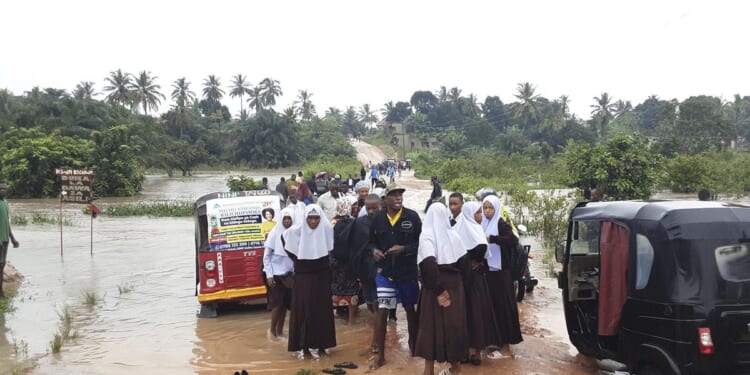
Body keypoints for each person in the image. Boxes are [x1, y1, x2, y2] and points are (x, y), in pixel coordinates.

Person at [368, 185, 422, 369]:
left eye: (400, 195)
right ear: (386, 200)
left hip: (407, 274)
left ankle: (414, 348)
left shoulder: (412, 217)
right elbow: (370, 242)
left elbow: (422, 243)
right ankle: (381, 356)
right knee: (382, 311)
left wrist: (405, 249)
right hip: (385, 274)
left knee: (410, 310)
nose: (398, 198)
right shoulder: (377, 220)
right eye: (394, 195)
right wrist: (374, 251)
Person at [414, 203, 469, 375]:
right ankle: (456, 367)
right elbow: (465, 265)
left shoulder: (427, 236)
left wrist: (438, 290)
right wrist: (457, 288)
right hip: (454, 287)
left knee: (430, 327)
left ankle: (428, 370)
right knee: (454, 326)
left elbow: (428, 265)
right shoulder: (454, 236)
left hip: (434, 288)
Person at [283, 204, 336, 359]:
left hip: (322, 278)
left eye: (316, 218)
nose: (313, 222)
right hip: (303, 279)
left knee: (323, 311)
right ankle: (304, 348)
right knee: (304, 311)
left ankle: (322, 346)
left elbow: (331, 252)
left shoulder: (327, 230)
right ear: (305, 219)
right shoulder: (294, 233)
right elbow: (288, 247)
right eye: (310, 218)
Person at [455, 201, 501, 364]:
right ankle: (467, 351)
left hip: (476, 282)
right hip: (465, 281)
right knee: (465, 314)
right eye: (478, 213)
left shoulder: (477, 230)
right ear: (468, 214)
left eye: (481, 212)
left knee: (476, 314)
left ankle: (476, 352)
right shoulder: (457, 231)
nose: (481, 216)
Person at [481, 195, 523, 357]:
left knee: (504, 307)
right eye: (485, 208)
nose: (487, 211)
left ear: (497, 208)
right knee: (491, 307)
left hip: (501, 273)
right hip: (488, 273)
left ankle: (506, 347)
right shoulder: (483, 224)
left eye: (490, 208)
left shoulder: (500, 223)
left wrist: (493, 239)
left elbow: (512, 239)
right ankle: (495, 340)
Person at [263, 208, 295, 339]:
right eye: (285, 219)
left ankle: (280, 332)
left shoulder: (294, 233)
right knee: (277, 304)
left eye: (289, 219)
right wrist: (269, 275)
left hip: (289, 275)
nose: (287, 221)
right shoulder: (274, 233)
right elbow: (266, 257)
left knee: (285, 305)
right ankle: (272, 332)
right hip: (275, 275)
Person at [330, 198, 360, 324]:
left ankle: (337, 316)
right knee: (352, 289)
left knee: (336, 289)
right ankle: (352, 321)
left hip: (335, 262)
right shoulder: (354, 222)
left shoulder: (331, 223)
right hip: (350, 262)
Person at [0, 182, 19, 298]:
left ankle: (1, 292)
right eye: (0, 188)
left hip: (5, 239)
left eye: (4, 188)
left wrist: (13, 239)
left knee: (2, 266)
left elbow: (6, 223)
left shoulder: (5, 203)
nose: (2, 190)